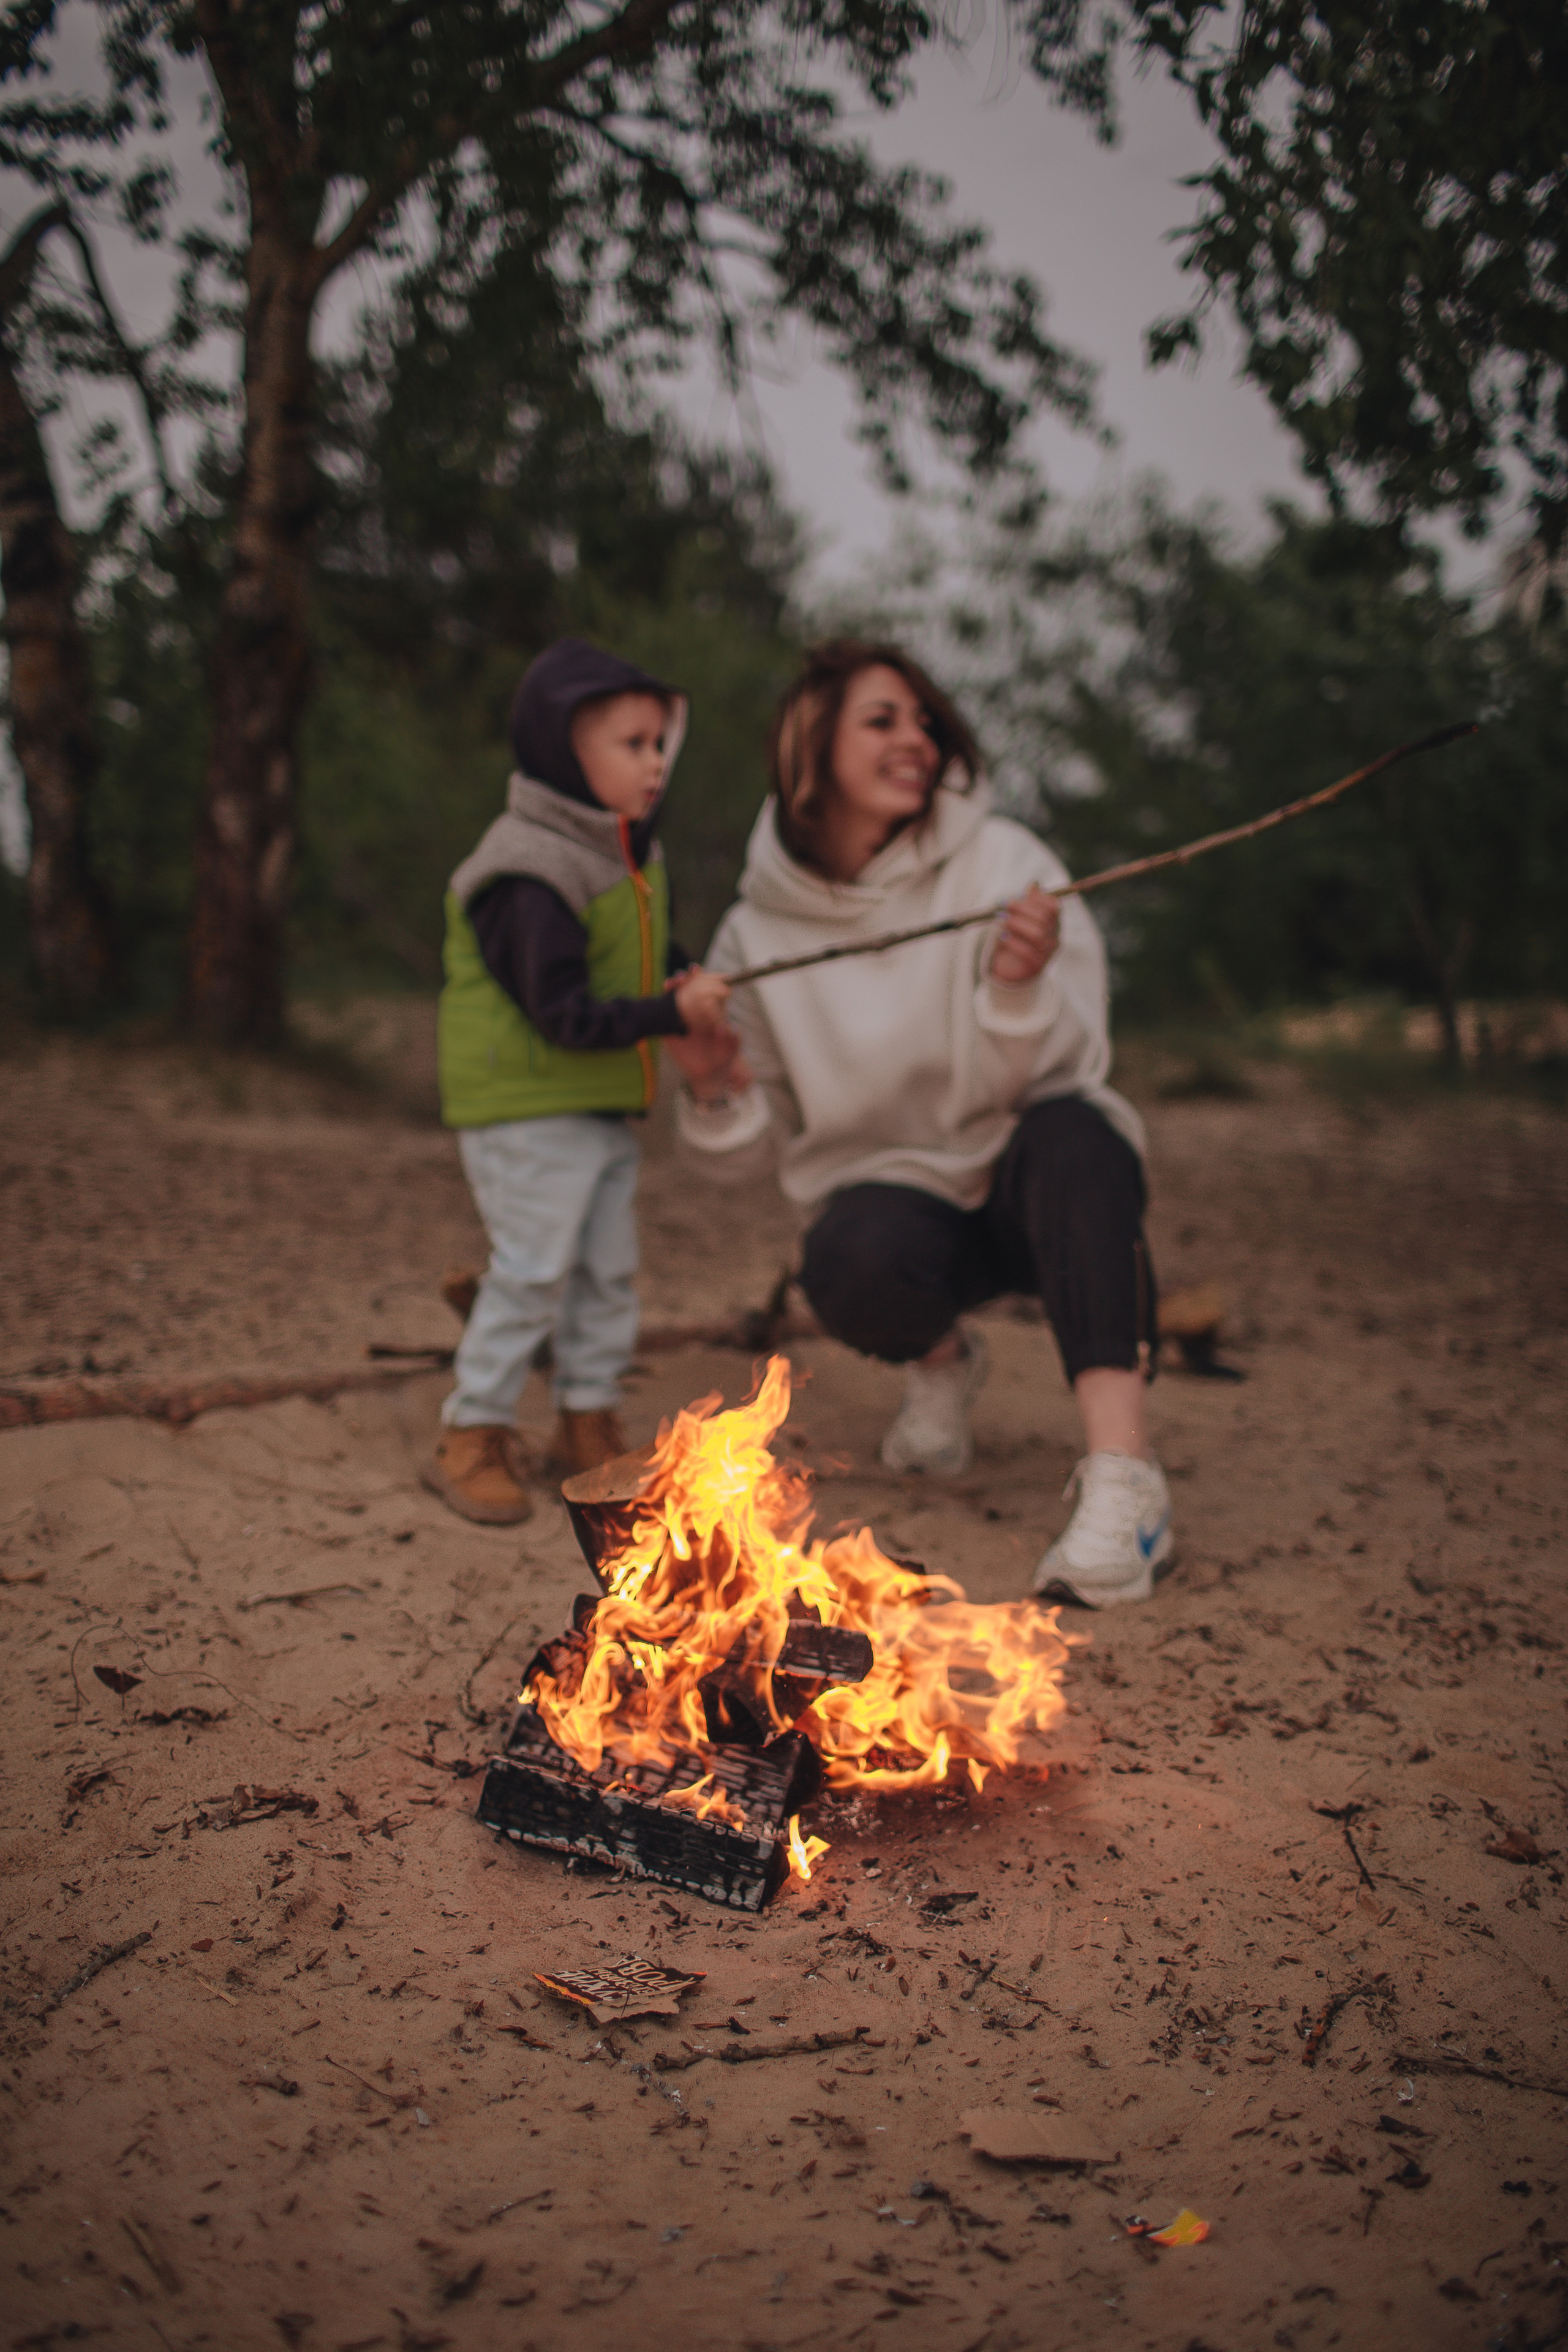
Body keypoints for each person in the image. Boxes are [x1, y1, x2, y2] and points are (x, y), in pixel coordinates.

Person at [674, 639, 1172, 1609]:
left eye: (926, 722)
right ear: (810, 749)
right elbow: (743, 1159)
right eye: (883, 720)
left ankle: (1126, 1480)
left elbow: (1069, 1070)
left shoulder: (1006, 862)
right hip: (904, 1208)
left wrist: (1016, 988)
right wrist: (712, 1084)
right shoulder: (755, 933)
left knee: (1080, 1136)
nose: (918, 740)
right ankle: (943, 1365)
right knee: (848, 1253)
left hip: (1037, 1186)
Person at [425, 636, 731, 1525]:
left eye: (660, 743)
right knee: (531, 1269)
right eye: (632, 744)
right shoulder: (528, 866)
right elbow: (561, 1010)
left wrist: (681, 978)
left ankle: (585, 1419)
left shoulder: (625, 853)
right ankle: (470, 1430)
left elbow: (635, 956)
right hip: (524, 1106)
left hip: (596, 1106)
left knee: (607, 1272)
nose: (656, 762)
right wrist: (672, 1015)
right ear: (564, 750)